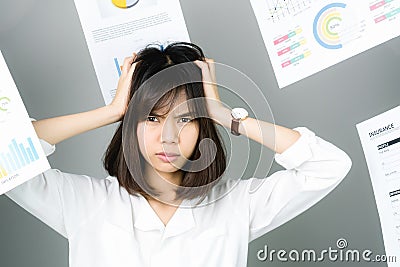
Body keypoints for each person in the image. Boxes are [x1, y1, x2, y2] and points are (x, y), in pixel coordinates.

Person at [5, 42, 352, 267]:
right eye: (152, 118)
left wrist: (227, 115)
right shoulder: (83, 203)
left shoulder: (235, 203)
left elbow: (328, 165)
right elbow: (6, 153)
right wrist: (111, 112)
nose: (167, 136)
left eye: (185, 118)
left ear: (204, 127)